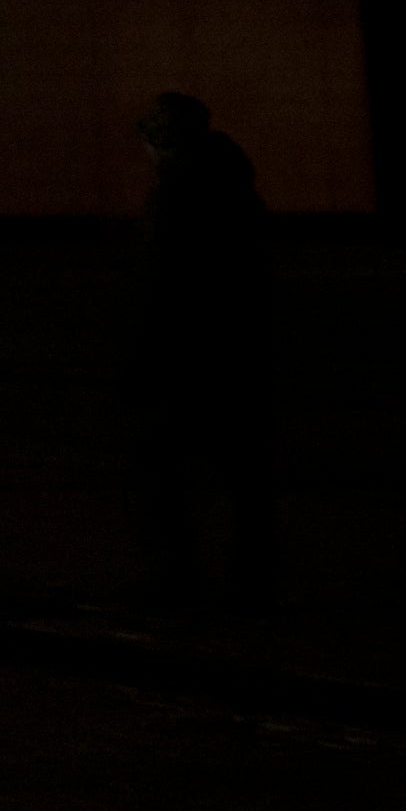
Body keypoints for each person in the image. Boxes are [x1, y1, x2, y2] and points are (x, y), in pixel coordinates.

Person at [129, 91, 275, 615]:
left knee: (161, 469)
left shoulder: (175, 198)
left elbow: (160, 286)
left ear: (161, 143)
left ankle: (177, 581)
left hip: (186, 356)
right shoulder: (237, 189)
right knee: (244, 473)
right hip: (239, 352)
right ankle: (254, 581)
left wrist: (144, 355)